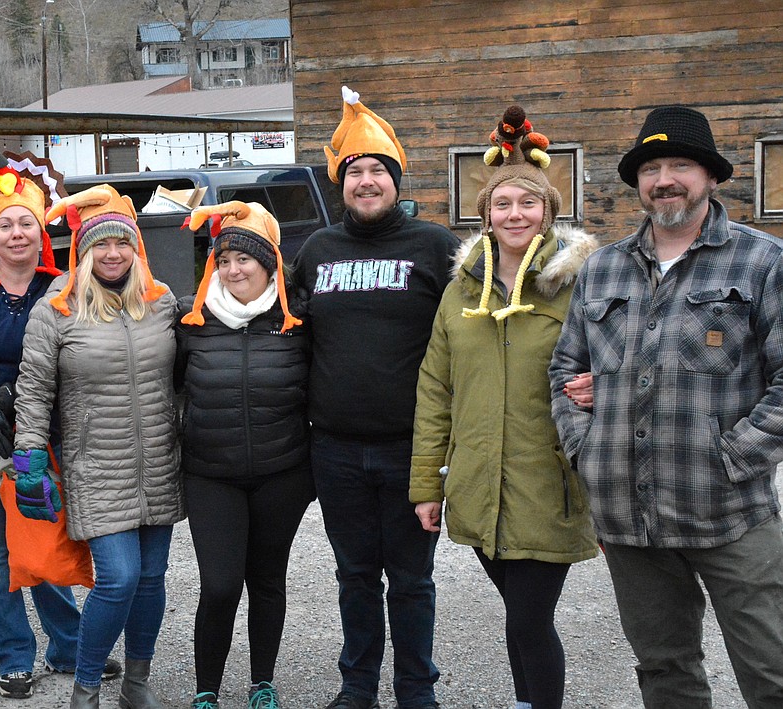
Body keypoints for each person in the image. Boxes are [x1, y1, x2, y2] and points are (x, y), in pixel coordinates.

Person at [549, 105, 783, 708]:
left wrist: (737, 457)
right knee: (664, 667)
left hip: (727, 509)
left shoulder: (761, 262)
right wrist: (586, 448)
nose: (665, 179)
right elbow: (564, 371)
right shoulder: (601, 269)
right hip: (631, 516)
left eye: (681, 164)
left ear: (709, 176)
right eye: (651, 167)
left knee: (772, 668)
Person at [410, 107, 598, 709]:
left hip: (551, 480)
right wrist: (425, 485)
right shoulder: (460, 290)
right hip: (478, 482)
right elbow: (435, 389)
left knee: (528, 618)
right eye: (502, 205)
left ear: (548, 211)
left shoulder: (581, 285)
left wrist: (602, 384)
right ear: (485, 214)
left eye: (527, 204)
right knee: (520, 616)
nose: (514, 215)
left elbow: (623, 360)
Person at [0, 147, 119, 699]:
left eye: (25, 222)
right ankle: (12, 656)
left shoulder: (64, 290)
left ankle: (69, 646)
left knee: (43, 543)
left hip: (38, 440)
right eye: (4, 223)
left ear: (41, 230)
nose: (15, 233)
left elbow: (83, 362)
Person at [290, 86, 459, 709]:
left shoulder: (434, 246)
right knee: (355, 576)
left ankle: (417, 690)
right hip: (333, 449)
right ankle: (357, 686)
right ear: (341, 183)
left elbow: (468, 337)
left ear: (395, 180)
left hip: (413, 449)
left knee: (411, 580)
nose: (366, 181)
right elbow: (287, 330)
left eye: (376, 172)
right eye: (355, 172)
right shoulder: (317, 250)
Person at [11, 185, 182, 709]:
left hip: (158, 461)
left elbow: (188, 373)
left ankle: (136, 683)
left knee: (151, 579)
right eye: (99, 246)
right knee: (119, 578)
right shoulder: (57, 307)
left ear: (136, 248)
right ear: (81, 253)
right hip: (96, 465)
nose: (112, 254)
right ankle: (86, 686)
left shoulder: (161, 300)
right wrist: (29, 458)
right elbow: (34, 388)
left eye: (122, 244)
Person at [176, 201, 315, 709]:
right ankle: (206, 689)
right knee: (218, 585)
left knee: (266, 579)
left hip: (283, 473)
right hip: (212, 474)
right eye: (225, 259)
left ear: (269, 263)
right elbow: (169, 390)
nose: (234, 270)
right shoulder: (191, 321)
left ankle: (262, 682)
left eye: (245, 260)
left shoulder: (298, 321)